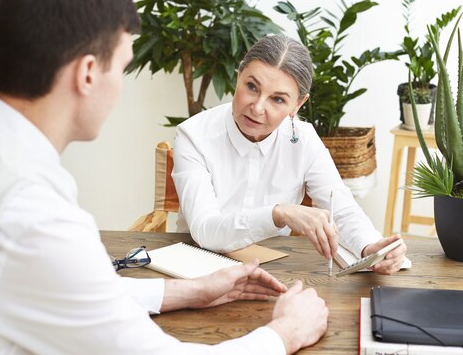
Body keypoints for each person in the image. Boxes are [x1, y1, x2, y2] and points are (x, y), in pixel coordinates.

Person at [0, 0, 328, 355]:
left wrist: (186, 291)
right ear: (87, 74)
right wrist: (286, 332)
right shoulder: (35, 214)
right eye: (122, 67)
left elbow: (67, 294)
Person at [173, 34, 408, 275]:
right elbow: (205, 230)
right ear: (238, 76)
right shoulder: (193, 135)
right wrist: (279, 213)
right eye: (252, 87)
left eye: (277, 99)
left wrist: (369, 247)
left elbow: (341, 207)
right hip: (193, 268)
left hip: (269, 272)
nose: (258, 107)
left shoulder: (304, 140)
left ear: (297, 104)